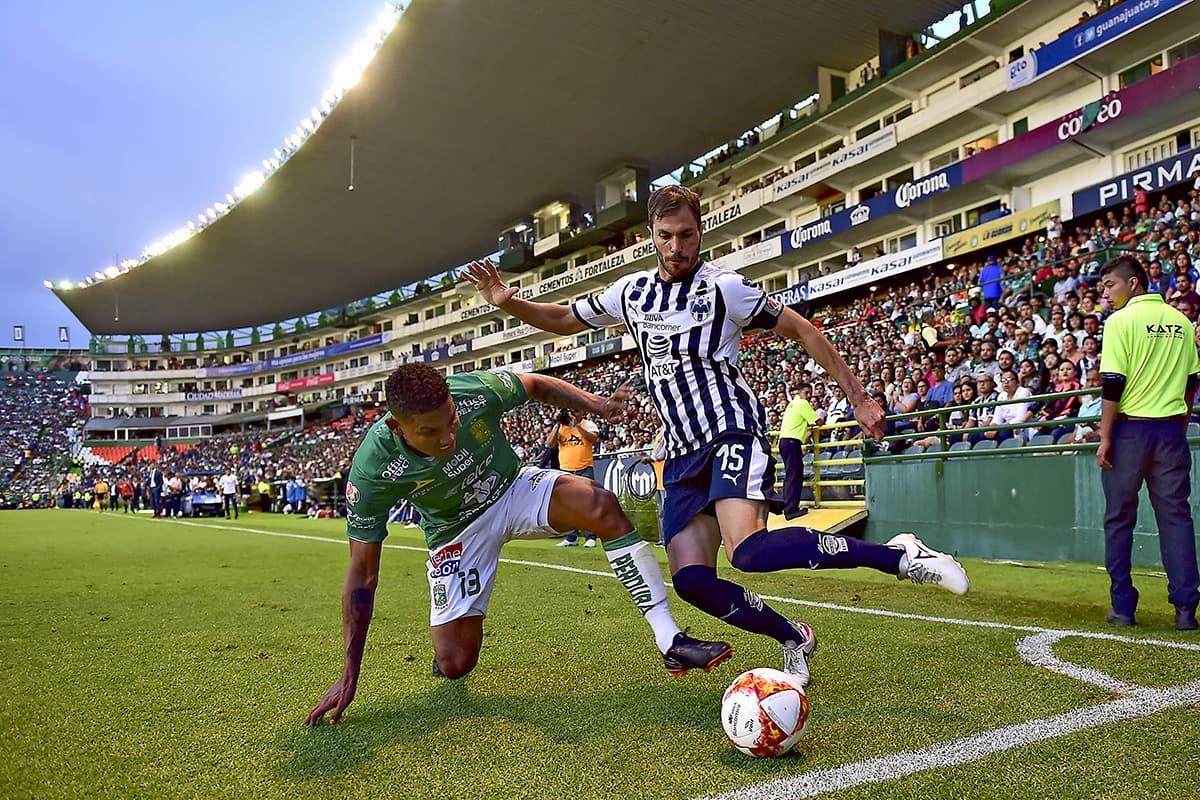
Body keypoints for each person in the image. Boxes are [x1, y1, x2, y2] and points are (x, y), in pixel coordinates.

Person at [464, 184, 968, 688]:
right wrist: (508, 301)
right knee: (691, 582)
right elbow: (563, 319)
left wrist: (857, 396)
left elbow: (803, 330)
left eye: (686, 234)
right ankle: (793, 637)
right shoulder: (631, 293)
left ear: (701, 232)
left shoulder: (726, 288)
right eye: (666, 235)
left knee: (747, 551)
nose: (677, 246)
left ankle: (901, 557)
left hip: (730, 432)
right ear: (651, 235)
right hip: (681, 453)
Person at [304, 364, 732, 726]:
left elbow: (535, 384)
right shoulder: (372, 469)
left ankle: (669, 640)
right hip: (456, 531)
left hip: (512, 488)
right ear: (397, 427)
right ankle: (447, 642)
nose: (448, 438)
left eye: (451, 421)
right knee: (456, 663)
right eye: (430, 432)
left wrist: (597, 406)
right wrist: (349, 671)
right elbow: (363, 574)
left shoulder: (472, 390)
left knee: (600, 504)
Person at [1096, 254, 1200, 631]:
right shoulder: (1182, 322)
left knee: (1119, 519)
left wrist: (1105, 435)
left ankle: (1123, 607)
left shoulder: (1120, 321)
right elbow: (1191, 382)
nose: (1105, 294)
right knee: (1176, 518)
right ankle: (1186, 610)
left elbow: (1113, 383)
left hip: (1129, 432)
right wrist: (1180, 423)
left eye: (1110, 285)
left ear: (1133, 282)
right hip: (1170, 432)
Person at [548, 408, 600, 547]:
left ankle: (591, 537)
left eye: (576, 411)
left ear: (582, 412)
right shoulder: (561, 427)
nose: (573, 414)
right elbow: (550, 444)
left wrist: (576, 425)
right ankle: (571, 537)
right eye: (571, 412)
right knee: (569, 506)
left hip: (584, 468)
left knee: (588, 503)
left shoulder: (588, 424)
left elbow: (593, 439)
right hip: (566, 469)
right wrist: (557, 424)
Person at [778, 383, 818, 520]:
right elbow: (817, 421)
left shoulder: (792, 404)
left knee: (790, 475)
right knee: (794, 476)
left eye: (810, 393)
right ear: (799, 393)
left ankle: (787, 506)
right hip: (791, 442)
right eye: (806, 392)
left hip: (784, 442)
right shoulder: (802, 403)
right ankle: (791, 509)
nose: (809, 395)